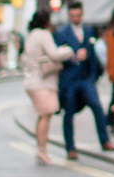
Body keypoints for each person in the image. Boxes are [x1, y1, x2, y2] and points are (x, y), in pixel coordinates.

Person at [55, 0, 114, 161]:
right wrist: (73, 57)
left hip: (86, 79)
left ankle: (105, 140)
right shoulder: (61, 33)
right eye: (72, 15)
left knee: (97, 107)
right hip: (69, 80)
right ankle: (70, 148)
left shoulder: (89, 30)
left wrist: (92, 75)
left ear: (82, 14)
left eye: (77, 15)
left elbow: (92, 53)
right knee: (69, 113)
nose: (75, 18)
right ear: (69, 15)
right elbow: (57, 56)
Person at [20, 9, 74, 164]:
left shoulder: (31, 36)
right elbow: (54, 54)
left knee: (41, 115)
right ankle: (41, 150)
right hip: (42, 82)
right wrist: (69, 50)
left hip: (32, 80)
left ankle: (40, 148)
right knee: (45, 115)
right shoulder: (43, 35)